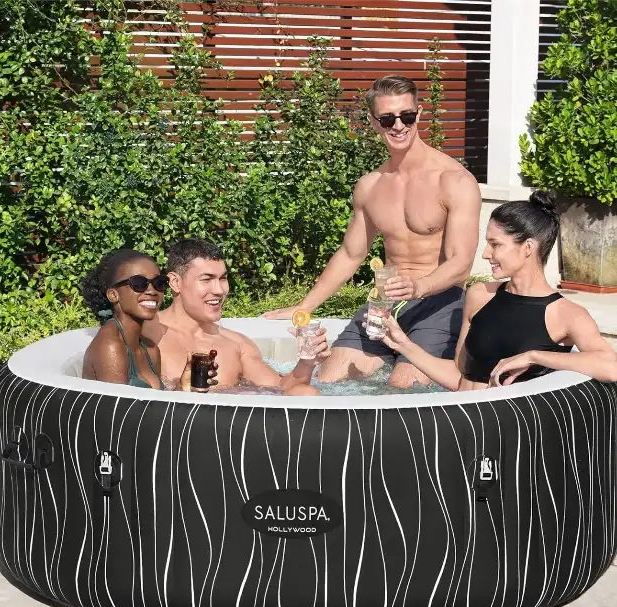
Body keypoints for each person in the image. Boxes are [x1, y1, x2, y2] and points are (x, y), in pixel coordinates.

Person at [264, 74, 482, 388]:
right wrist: (305, 305)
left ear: (419, 114)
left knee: (403, 389)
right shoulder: (370, 186)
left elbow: (461, 262)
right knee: (329, 380)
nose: (399, 125)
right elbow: (351, 253)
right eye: (388, 118)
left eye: (407, 116)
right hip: (384, 303)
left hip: (439, 303)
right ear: (373, 121)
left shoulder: (454, 180)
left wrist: (418, 287)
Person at [378, 191, 617, 390]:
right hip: (461, 421)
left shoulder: (566, 314)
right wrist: (403, 345)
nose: (485, 254)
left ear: (527, 248)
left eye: (495, 244)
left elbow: (611, 367)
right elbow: (460, 377)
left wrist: (533, 356)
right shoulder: (480, 295)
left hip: (504, 428)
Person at [142, 239, 330, 395]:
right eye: (206, 279)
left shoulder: (237, 345)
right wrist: (180, 390)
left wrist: (307, 363)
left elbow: (281, 389)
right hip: (175, 426)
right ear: (175, 282)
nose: (219, 290)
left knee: (306, 393)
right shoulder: (146, 334)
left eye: (223, 278)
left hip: (230, 427)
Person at [81, 249, 210, 391]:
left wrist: (183, 387)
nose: (152, 291)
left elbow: (158, 400)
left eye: (159, 283)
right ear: (113, 295)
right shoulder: (110, 347)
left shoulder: (150, 349)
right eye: (139, 283)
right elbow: (119, 405)